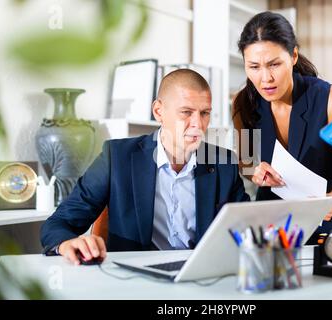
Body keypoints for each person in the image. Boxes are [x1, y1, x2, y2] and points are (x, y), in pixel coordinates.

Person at [41, 69, 250, 264]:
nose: (198, 124)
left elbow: (247, 229)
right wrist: (68, 243)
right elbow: (58, 224)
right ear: (159, 111)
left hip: (201, 275)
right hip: (136, 278)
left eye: (205, 113)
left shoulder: (224, 162)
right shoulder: (117, 157)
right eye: (186, 112)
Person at [232, 11, 332, 241]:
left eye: (274, 64)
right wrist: (255, 171)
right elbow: (246, 160)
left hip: (328, 221)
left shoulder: (328, 99)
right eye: (254, 66)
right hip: (273, 225)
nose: (265, 78)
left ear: (293, 56)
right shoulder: (243, 103)